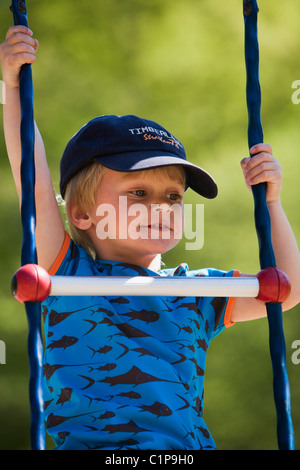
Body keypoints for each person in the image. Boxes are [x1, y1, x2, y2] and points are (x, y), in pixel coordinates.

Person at [1, 25, 299, 450]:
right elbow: (30, 173)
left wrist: (272, 204)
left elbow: (285, 289)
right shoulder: (67, 272)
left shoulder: (198, 292)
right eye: (138, 193)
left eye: (173, 197)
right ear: (83, 213)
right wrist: (13, 86)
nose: (160, 207)